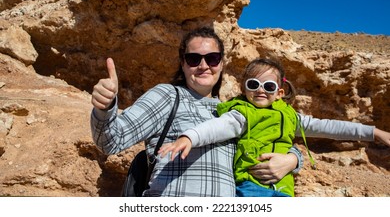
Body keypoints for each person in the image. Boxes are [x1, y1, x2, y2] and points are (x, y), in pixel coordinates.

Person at [90, 27, 301, 197]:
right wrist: (105, 108)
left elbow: (272, 134)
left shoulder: (235, 110)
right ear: (182, 64)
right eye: (193, 59)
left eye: (212, 59)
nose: (203, 66)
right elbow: (111, 141)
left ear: (221, 64)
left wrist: (293, 159)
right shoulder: (168, 96)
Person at [159, 57, 390, 197]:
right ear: (244, 88)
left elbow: (329, 127)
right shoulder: (243, 114)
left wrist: (374, 132)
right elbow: (217, 127)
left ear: (279, 92)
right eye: (253, 84)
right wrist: (189, 137)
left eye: (268, 85)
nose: (260, 90)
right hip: (250, 188)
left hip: (284, 189)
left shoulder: (290, 116)